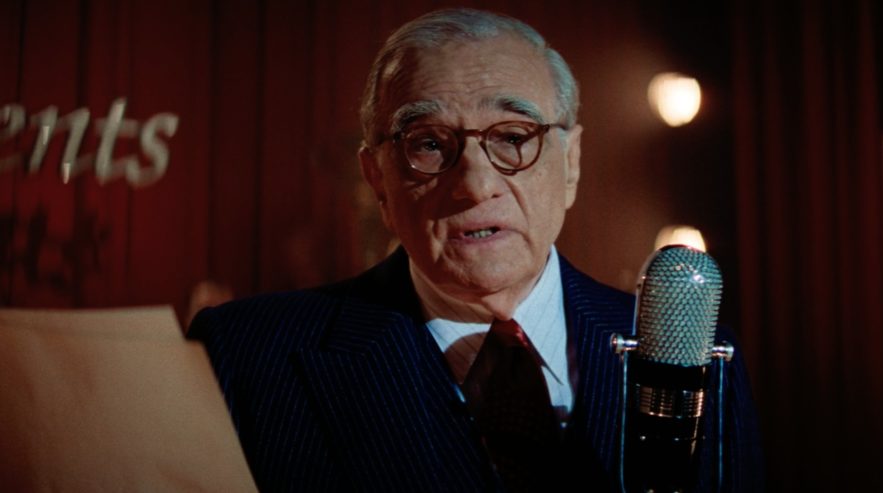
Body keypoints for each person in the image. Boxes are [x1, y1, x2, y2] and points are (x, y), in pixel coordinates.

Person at [189, 8, 762, 492]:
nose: (474, 185)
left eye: (512, 138)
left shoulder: (700, 359)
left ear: (571, 163)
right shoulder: (248, 356)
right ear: (378, 180)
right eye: (428, 144)